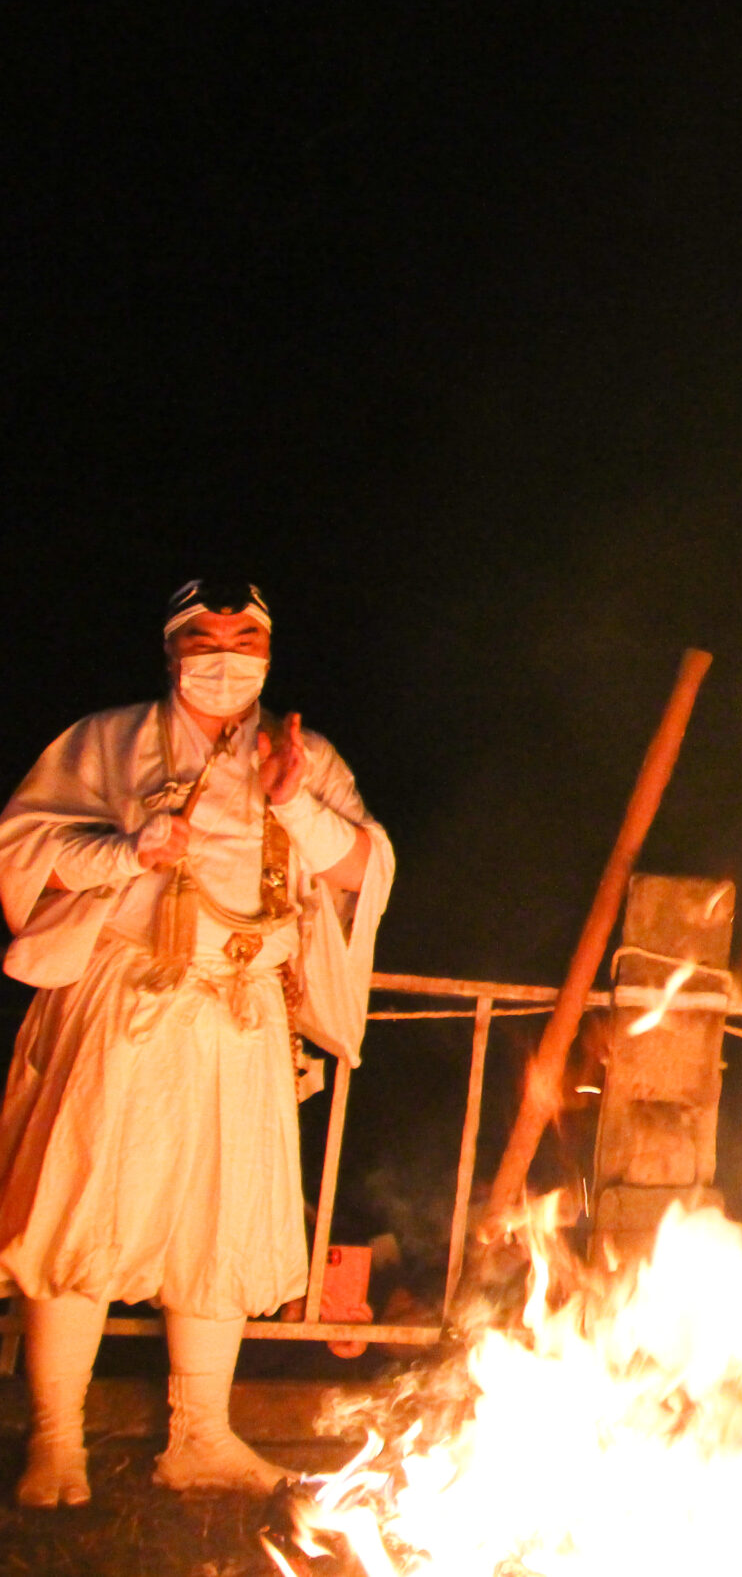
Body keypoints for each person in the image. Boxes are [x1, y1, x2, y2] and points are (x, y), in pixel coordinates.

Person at [0, 581, 394, 1506]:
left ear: (268, 647)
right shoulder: (104, 741)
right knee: (83, 1207)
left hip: (243, 1009)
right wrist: (125, 851)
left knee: (226, 1218)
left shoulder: (306, 754)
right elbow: (22, 847)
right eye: (205, 637)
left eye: (244, 636)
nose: (225, 654)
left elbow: (363, 869)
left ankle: (202, 1436)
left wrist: (295, 803)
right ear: (173, 647)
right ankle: (58, 1441)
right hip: (125, 1001)